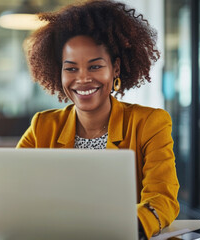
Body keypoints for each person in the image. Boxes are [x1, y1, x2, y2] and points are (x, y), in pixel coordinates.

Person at [16, 0, 180, 239]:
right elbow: (13, 190)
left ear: (115, 68)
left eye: (95, 67)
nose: (82, 79)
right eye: (71, 69)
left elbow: (163, 198)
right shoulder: (42, 126)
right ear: (58, 71)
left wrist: (125, 225)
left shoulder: (150, 123)